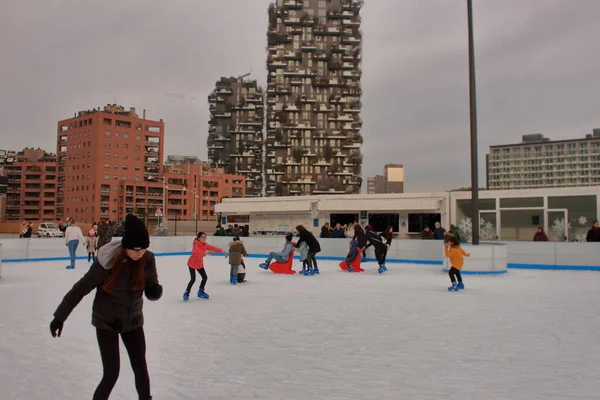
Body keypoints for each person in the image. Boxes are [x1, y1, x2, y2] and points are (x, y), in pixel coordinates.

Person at [49, 214, 162, 400]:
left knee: (140, 367)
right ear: (126, 246)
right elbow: (80, 289)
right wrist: (59, 317)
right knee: (111, 373)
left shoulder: (147, 259)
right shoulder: (107, 261)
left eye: (144, 250)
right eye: (136, 250)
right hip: (106, 322)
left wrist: (154, 291)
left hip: (133, 321)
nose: (140, 254)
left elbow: (152, 285)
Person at [183, 232, 224, 301]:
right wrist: (206, 252)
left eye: (205, 237)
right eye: (202, 237)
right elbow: (196, 251)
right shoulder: (196, 244)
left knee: (204, 277)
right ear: (198, 238)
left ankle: (201, 291)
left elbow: (212, 248)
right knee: (193, 279)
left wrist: (222, 251)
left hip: (199, 264)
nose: (204, 238)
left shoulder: (205, 244)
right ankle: (186, 293)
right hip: (192, 263)